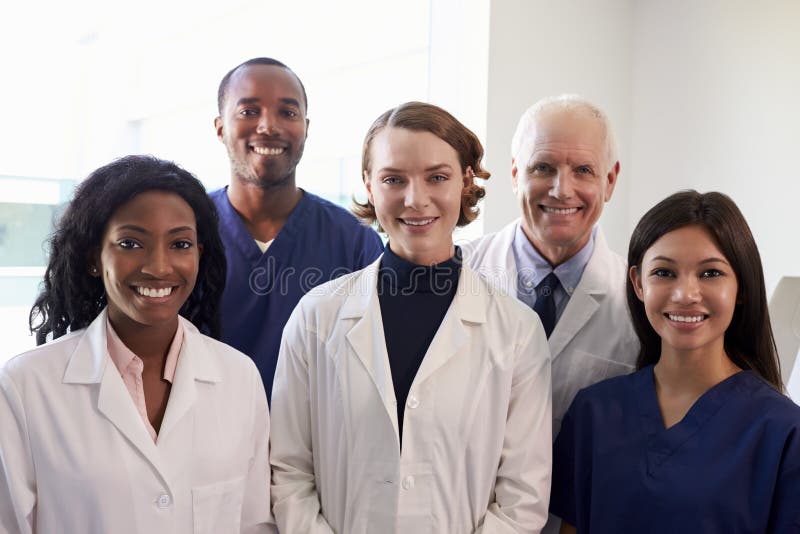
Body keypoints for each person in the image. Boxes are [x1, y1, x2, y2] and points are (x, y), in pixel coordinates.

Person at [270, 102, 553, 532]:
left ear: (466, 182)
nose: (415, 199)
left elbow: (522, 499)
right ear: (368, 183)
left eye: (437, 177)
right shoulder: (316, 318)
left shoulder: (516, 332)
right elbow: (289, 473)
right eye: (393, 179)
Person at [0, 156, 274, 533]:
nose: (159, 267)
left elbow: (253, 522)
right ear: (95, 257)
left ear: (199, 254)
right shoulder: (24, 386)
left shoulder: (239, 377)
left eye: (179, 243)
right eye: (130, 243)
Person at [551, 190, 800, 533]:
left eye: (710, 274)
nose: (685, 295)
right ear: (638, 283)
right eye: (665, 273)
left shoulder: (783, 432)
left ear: (741, 286)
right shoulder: (594, 413)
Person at [464, 95, 639, 437]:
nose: (562, 190)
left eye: (583, 170)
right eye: (543, 167)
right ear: (516, 174)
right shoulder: (458, 273)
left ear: (610, 181)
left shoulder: (639, 303)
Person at [211, 57, 384, 400]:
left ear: (306, 127)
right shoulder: (185, 233)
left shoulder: (354, 242)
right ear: (219, 127)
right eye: (249, 111)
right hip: (200, 443)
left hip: (317, 448)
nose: (268, 126)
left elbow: (376, 368)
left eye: (287, 113)